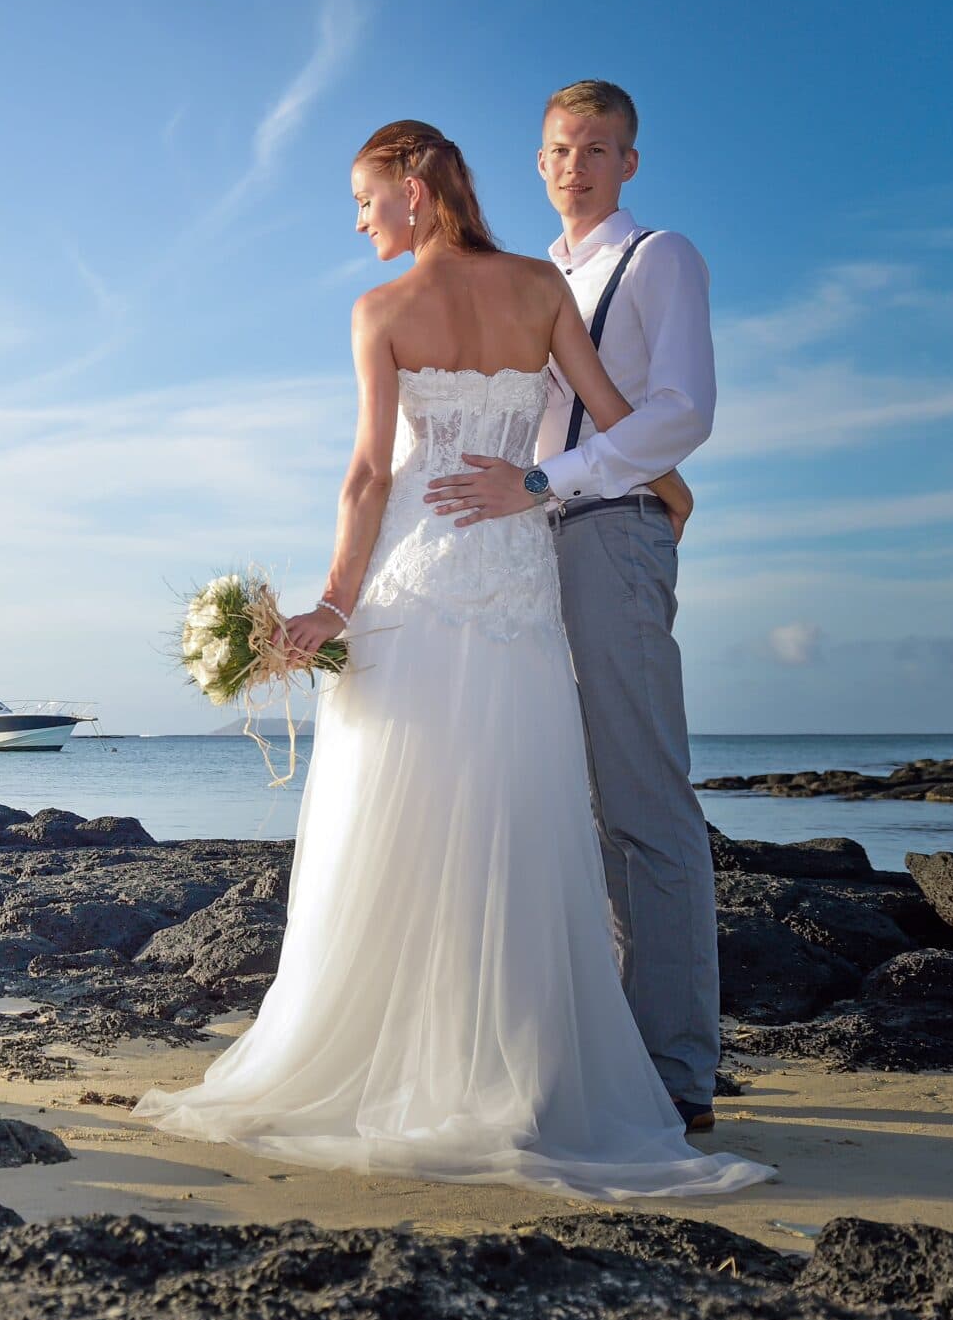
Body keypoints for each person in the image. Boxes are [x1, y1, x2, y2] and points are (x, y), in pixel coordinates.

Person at [135, 118, 765, 1200]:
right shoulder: (538, 285)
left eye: (364, 196)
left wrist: (332, 603)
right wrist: (671, 494)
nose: (359, 217)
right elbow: (614, 418)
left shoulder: (377, 310)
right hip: (516, 574)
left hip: (417, 578)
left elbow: (368, 476)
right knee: (519, 812)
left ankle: (407, 1056)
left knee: (398, 809)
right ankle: (523, 1068)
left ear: (414, 189)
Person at [423, 81, 721, 1130]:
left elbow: (684, 411)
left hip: (609, 533)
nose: (575, 166)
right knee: (569, 804)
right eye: (558, 148)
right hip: (526, 552)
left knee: (644, 802)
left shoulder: (659, 256)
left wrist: (551, 484)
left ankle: (680, 1073)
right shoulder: (534, 273)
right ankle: (608, 1052)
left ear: (628, 161)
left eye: (597, 149)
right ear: (537, 160)